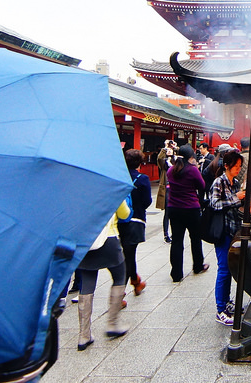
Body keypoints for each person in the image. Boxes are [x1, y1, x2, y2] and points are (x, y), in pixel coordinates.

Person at [76, 199, 132, 351]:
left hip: (87, 242)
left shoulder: (79, 192)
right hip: (109, 239)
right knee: (120, 276)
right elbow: (125, 214)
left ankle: (84, 334)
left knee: (87, 282)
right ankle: (112, 323)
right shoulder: (110, 186)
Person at [207, 149, 246, 325]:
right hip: (222, 231)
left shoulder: (235, 182)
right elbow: (214, 204)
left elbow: (237, 205)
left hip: (234, 229)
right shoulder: (219, 182)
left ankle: (228, 301)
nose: (238, 169)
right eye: (236, 166)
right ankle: (220, 309)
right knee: (223, 268)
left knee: (231, 268)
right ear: (226, 166)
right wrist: (236, 198)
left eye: (239, 166)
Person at [166, 144, 210, 282]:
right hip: (191, 208)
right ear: (191, 156)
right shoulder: (192, 170)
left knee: (177, 241)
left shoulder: (171, 170)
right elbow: (202, 186)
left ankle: (176, 273)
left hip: (174, 208)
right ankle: (197, 266)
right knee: (195, 238)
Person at [121, 149, 152, 297]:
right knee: (128, 256)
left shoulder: (120, 177)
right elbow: (147, 201)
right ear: (140, 163)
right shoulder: (142, 179)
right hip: (136, 220)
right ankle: (120, 293)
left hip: (119, 221)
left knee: (128, 255)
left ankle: (135, 281)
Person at [156, 140, 177, 243]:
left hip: (175, 189)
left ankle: (174, 233)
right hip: (167, 188)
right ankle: (166, 234)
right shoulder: (164, 162)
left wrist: (175, 148)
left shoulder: (176, 161)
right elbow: (159, 159)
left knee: (175, 213)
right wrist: (164, 148)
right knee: (167, 213)